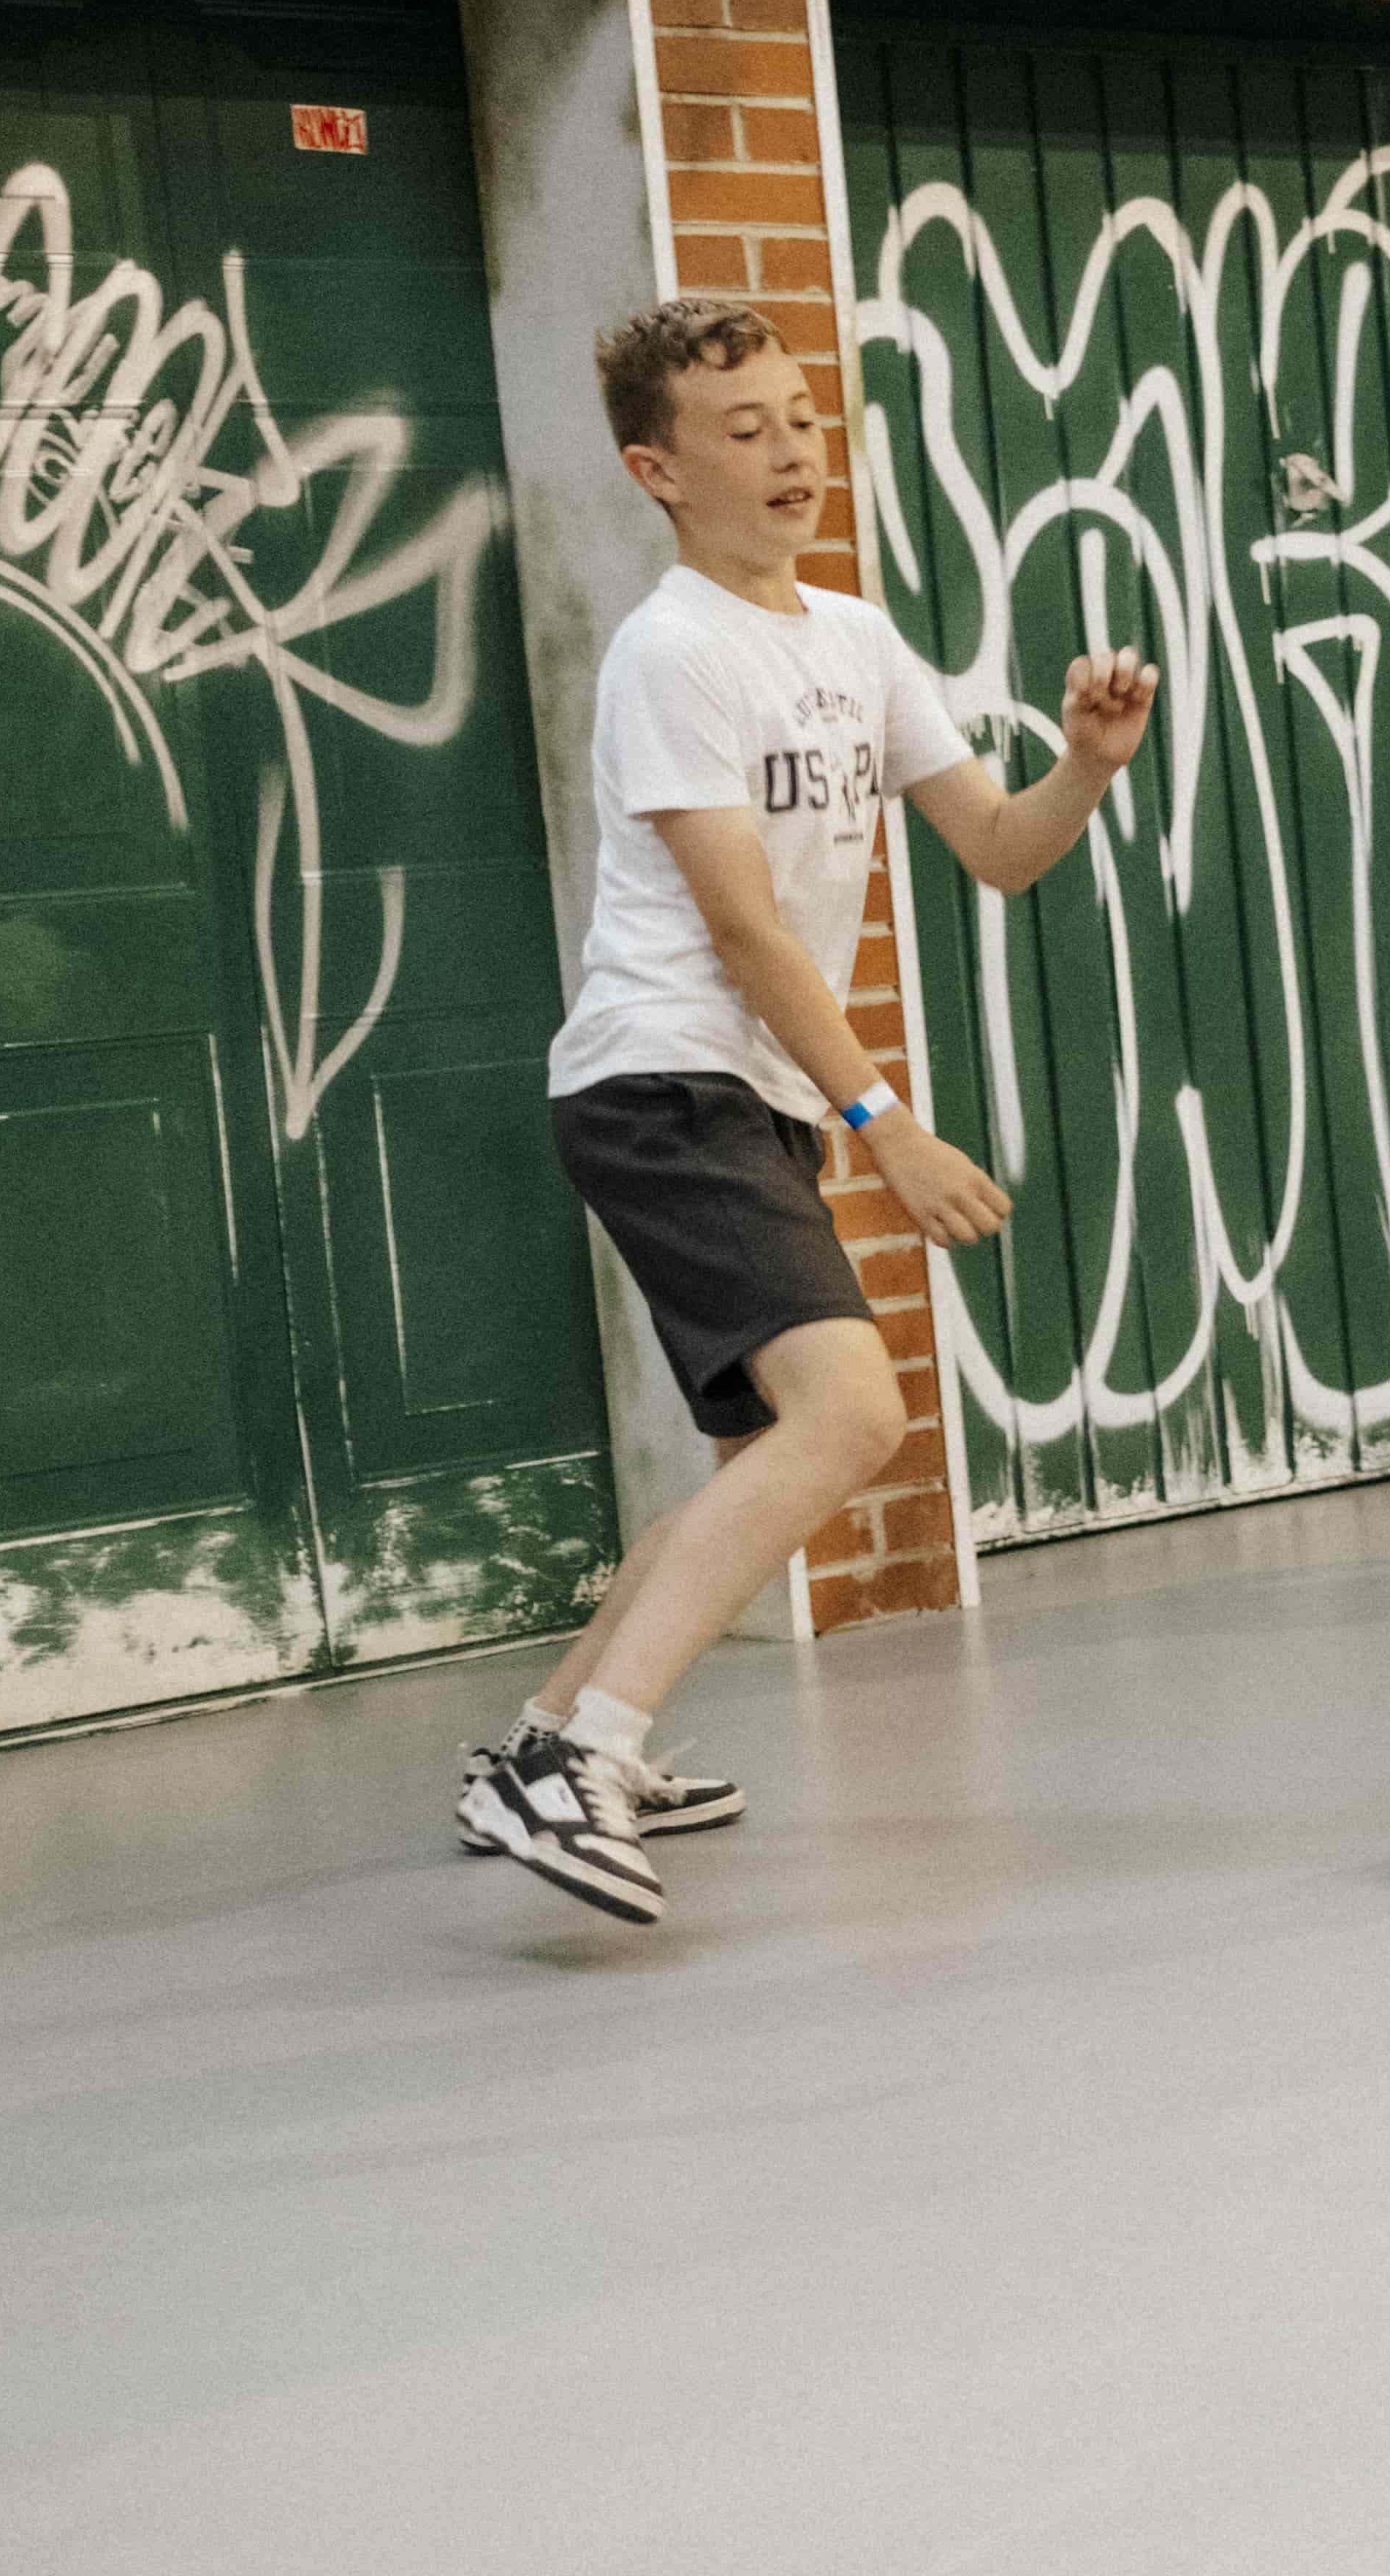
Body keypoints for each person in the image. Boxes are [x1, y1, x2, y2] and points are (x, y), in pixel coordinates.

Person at [470, 297, 1154, 1928]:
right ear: (656, 468)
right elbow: (744, 928)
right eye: (744, 429)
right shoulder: (671, 651)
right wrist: (886, 1123)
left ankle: (539, 1744)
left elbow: (994, 844)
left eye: (800, 415)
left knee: (758, 1457)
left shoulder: (850, 639)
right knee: (852, 1416)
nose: (791, 450)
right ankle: (589, 1765)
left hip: (746, 1097)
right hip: (661, 1081)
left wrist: (1088, 765)